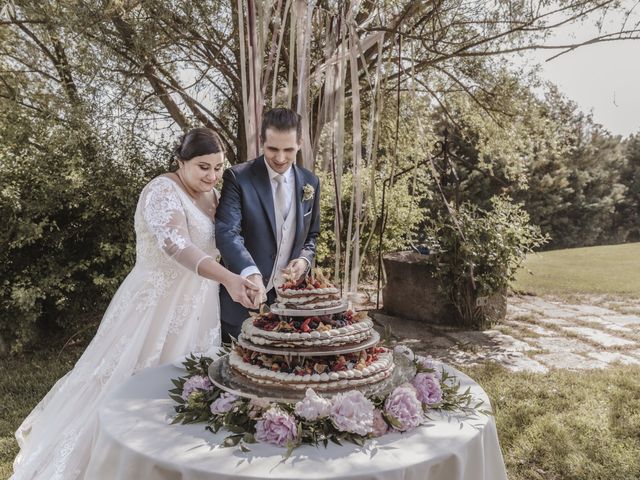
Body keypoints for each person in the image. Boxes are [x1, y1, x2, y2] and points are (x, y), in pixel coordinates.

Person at [11, 128, 259, 480]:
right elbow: (176, 245)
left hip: (197, 309)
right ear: (180, 161)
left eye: (218, 167)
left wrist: (245, 273)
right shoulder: (161, 190)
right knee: (125, 386)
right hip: (153, 308)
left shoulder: (213, 194)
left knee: (181, 392)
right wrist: (228, 279)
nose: (212, 175)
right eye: (203, 167)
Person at [216, 108, 321, 341]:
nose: (280, 158)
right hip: (242, 302)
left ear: (300, 143)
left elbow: (312, 235)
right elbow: (227, 231)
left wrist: (304, 260)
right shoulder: (238, 178)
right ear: (262, 141)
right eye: (273, 148)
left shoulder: (311, 182)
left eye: (289, 150)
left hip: (291, 307)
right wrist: (249, 272)